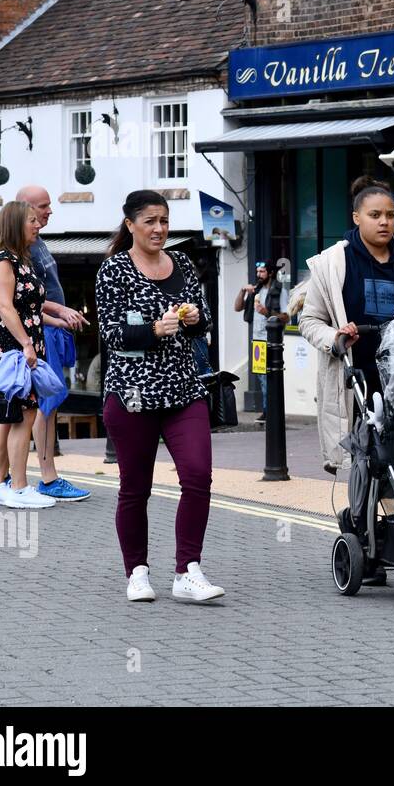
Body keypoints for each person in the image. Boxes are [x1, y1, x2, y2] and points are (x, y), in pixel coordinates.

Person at [97, 190, 223, 603]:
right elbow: (111, 334)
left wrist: (191, 318)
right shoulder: (114, 269)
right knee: (136, 488)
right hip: (133, 395)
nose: (158, 229)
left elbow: (202, 319)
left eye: (164, 221)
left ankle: (188, 571)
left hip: (184, 389)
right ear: (130, 224)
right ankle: (136, 572)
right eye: (150, 221)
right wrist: (154, 330)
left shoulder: (183, 263)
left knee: (198, 475)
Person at [299, 182, 394, 478]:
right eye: (375, 215)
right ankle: (366, 521)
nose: (384, 222)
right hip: (354, 382)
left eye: (390, 215)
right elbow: (309, 321)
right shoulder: (332, 264)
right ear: (356, 217)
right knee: (364, 468)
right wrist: (336, 338)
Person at [16, 184, 91, 501]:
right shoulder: (24, 245)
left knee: (51, 401)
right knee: (43, 404)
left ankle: (18, 477)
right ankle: (46, 477)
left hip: (53, 330)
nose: (49, 211)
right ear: (25, 207)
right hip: (41, 332)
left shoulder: (38, 241)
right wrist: (58, 313)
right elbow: (25, 297)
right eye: (43, 206)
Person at [0, 201, 55, 510]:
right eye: (31, 221)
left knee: (9, 420)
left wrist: (57, 317)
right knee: (24, 415)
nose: (37, 226)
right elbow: (6, 307)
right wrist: (26, 344)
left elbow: (30, 308)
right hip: (13, 349)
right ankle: (20, 487)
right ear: (14, 224)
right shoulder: (4, 261)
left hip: (21, 346)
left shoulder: (22, 259)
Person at [234, 261, 288, 421]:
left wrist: (266, 312)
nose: (259, 274)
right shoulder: (255, 290)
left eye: (262, 271)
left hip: (272, 341)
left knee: (270, 377)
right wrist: (242, 290)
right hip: (257, 341)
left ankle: (270, 411)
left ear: (270, 273)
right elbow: (237, 307)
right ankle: (268, 410)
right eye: (257, 271)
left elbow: (286, 317)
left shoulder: (279, 291)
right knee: (262, 377)